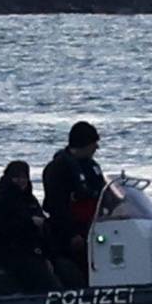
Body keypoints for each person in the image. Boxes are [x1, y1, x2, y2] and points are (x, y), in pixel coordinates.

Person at [0, 161, 63, 294]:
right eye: (16, 177)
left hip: (30, 253)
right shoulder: (2, 200)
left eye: (24, 177)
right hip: (8, 256)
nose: (21, 181)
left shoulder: (30, 200)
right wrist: (29, 222)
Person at [42, 121, 105, 286]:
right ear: (83, 144)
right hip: (70, 232)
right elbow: (57, 206)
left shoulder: (92, 167)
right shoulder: (58, 169)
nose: (96, 148)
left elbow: (103, 193)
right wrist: (71, 233)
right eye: (93, 143)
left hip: (94, 227)